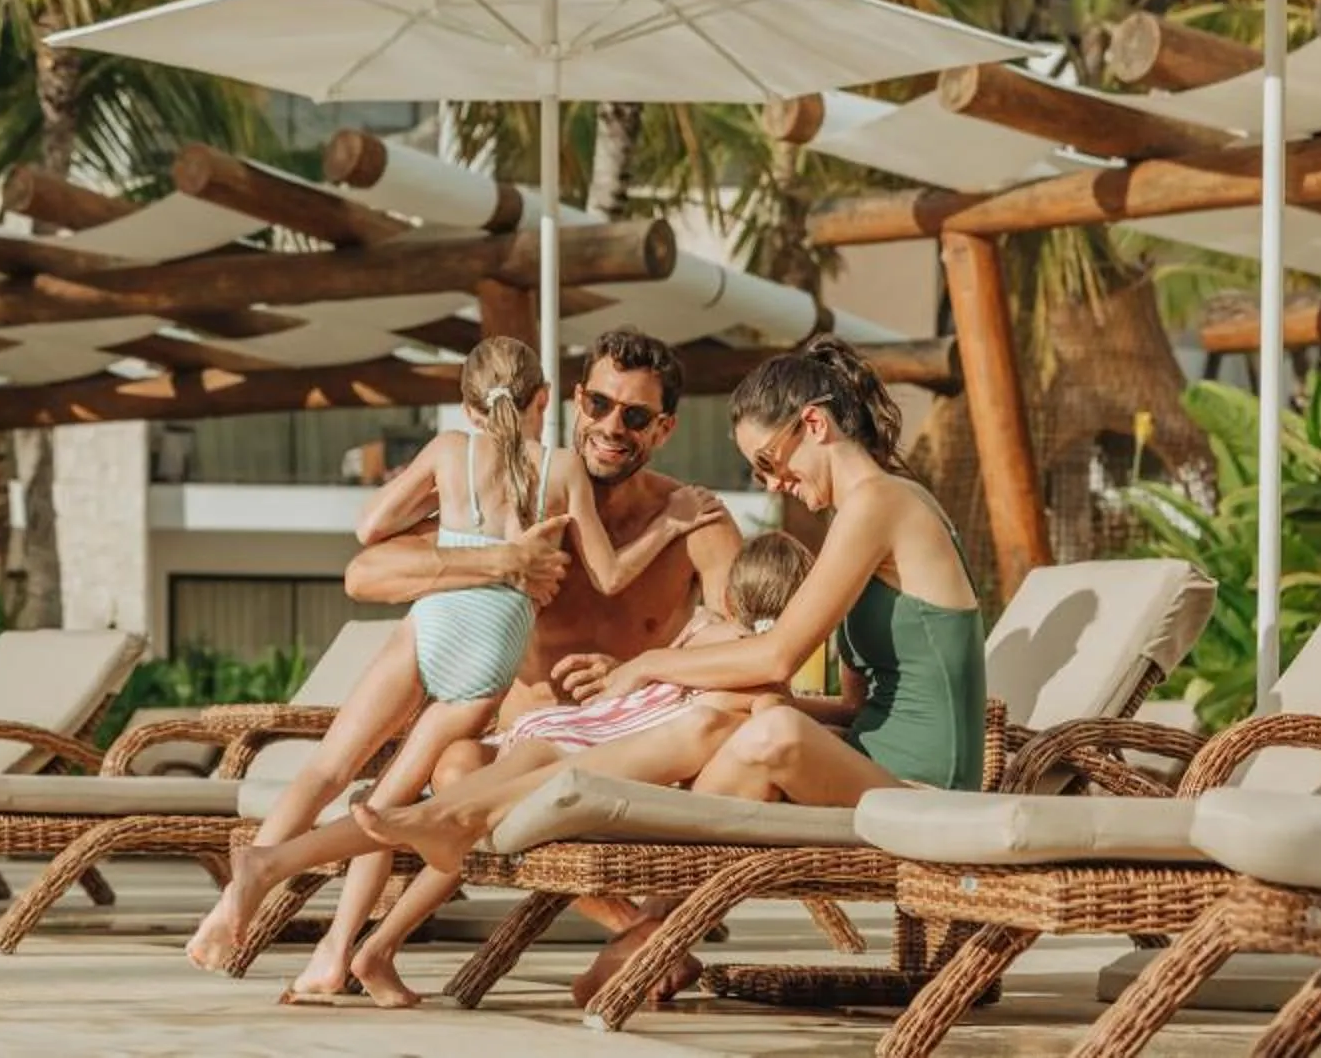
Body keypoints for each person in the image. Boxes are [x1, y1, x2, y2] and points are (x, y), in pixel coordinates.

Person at [199, 335, 987, 1011]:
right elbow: (853, 704)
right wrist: (703, 694)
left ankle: (604, 906)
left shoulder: (879, 502)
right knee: (729, 721)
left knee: (751, 722)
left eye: (771, 463)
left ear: (813, 425)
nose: (776, 486)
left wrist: (650, 667)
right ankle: (619, 919)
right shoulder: (863, 516)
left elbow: (778, 656)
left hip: (922, 789)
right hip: (865, 765)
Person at [194, 328, 739, 987]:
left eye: (636, 415)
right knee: (438, 774)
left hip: (627, 753)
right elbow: (365, 572)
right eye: (599, 404)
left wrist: (649, 667)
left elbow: (749, 652)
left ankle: (344, 943)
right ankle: (350, 945)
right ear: (568, 400)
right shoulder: (527, 483)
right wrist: (499, 561)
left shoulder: (694, 521)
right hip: (516, 736)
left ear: (665, 428)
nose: (611, 425)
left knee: (383, 784)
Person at [335, 531, 817, 1008]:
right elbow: (770, 714)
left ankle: (354, 929)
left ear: (730, 598)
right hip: (591, 758)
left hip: (564, 732)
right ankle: (369, 940)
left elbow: (650, 693)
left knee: (459, 812)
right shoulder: (755, 671)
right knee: (463, 817)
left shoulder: (699, 634)